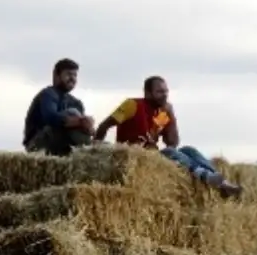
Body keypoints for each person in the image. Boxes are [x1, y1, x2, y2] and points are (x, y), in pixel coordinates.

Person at [94, 75, 243, 197]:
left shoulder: (162, 113)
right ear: (147, 93)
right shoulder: (132, 105)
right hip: (135, 157)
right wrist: (95, 147)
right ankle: (205, 176)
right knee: (168, 152)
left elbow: (173, 142)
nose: (164, 95)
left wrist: (171, 115)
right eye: (160, 92)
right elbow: (104, 125)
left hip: (154, 157)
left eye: (166, 91)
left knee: (188, 150)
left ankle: (221, 182)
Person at [23, 58, 97, 156]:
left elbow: (81, 128)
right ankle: (92, 151)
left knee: (78, 118)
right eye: (68, 74)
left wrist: (88, 126)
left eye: (75, 75)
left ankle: (93, 150)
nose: (72, 78)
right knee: (72, 113)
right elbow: (51, 118)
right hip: (38, 146)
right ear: (56, 76)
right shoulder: (48, 94)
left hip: (63, 145)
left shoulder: (76, 102)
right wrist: (80, 121)